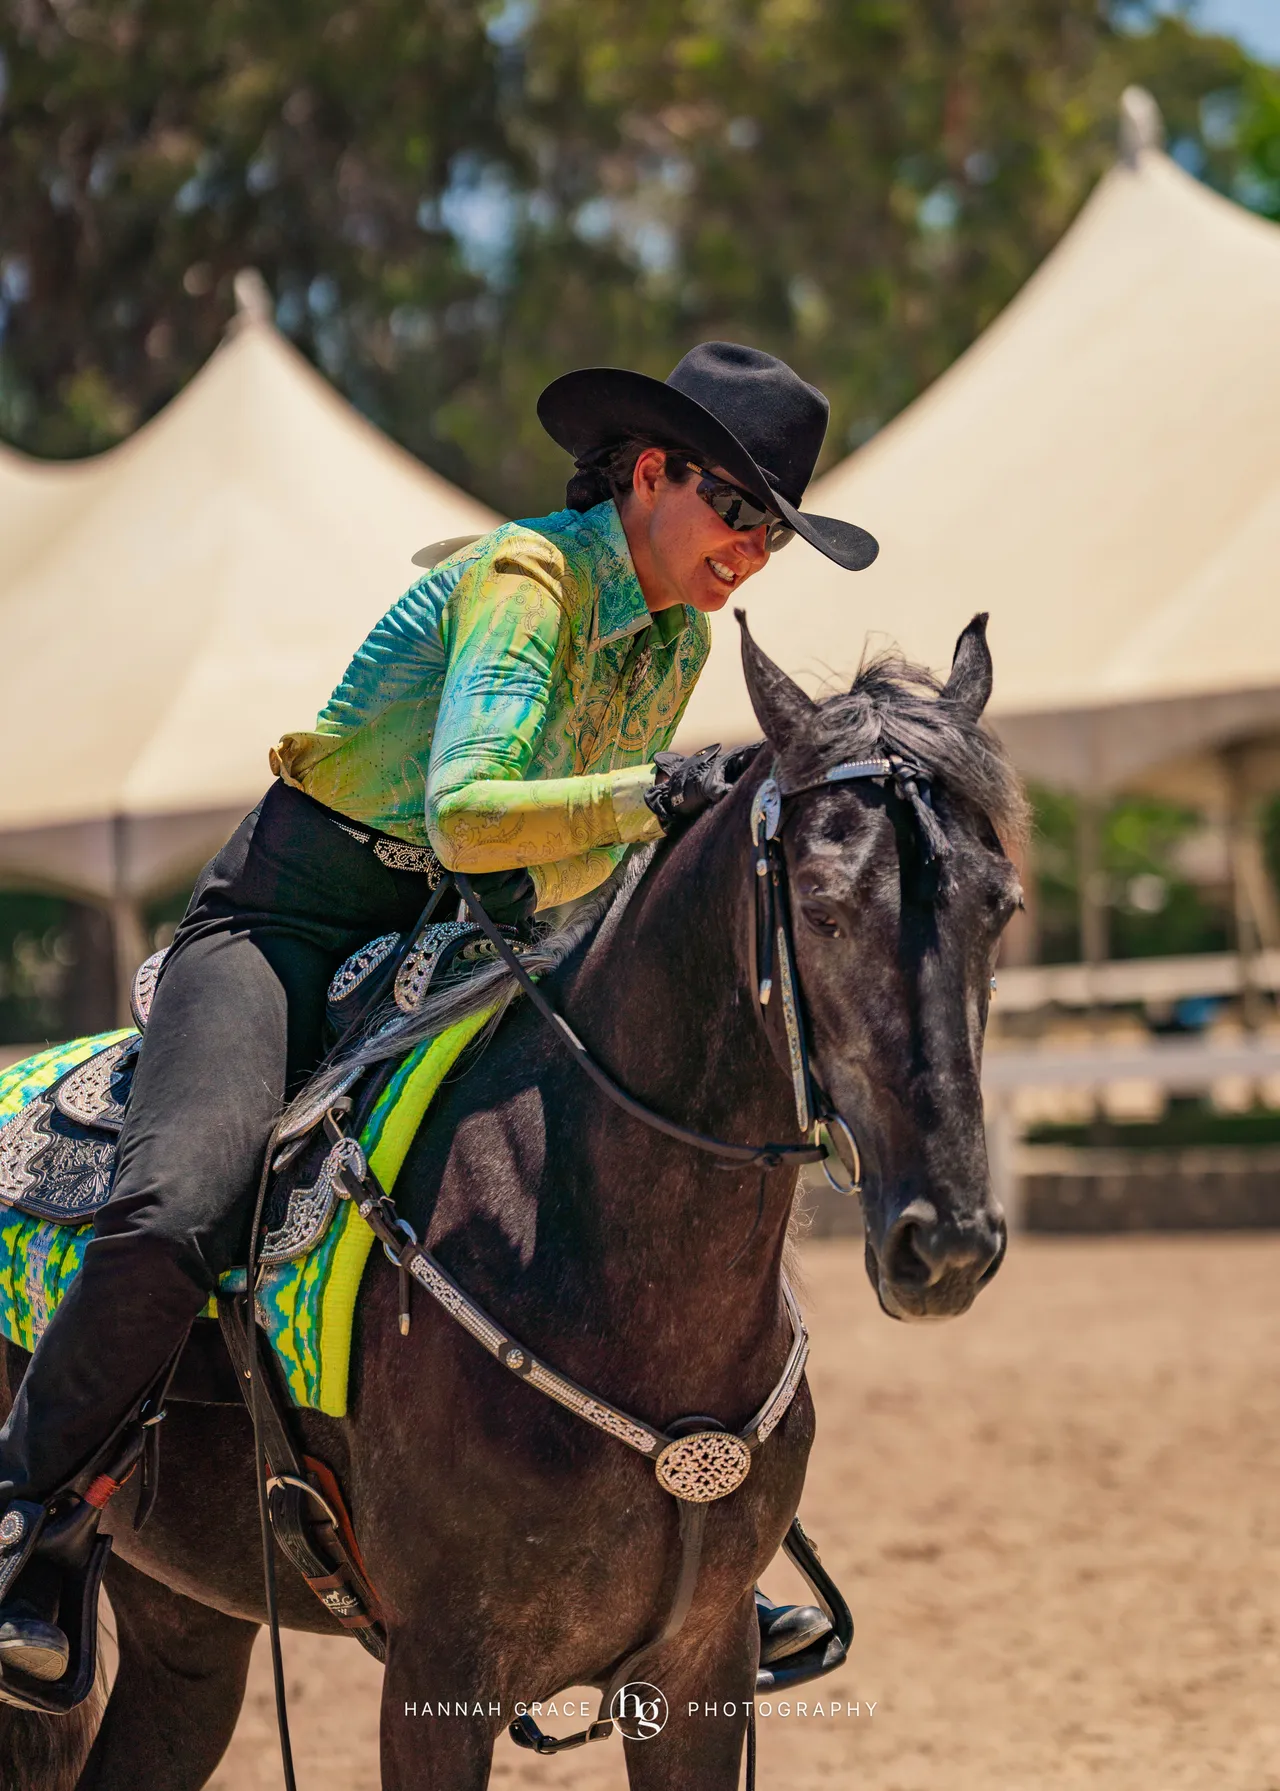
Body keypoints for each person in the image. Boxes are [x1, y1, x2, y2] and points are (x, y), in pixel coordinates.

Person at [0, 341, 877, 1685]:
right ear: (652, 472)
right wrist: (655, 796)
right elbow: (473, 813)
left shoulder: (678, 634)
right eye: (743, 511)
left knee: (612, 1173)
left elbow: (558, 857)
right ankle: (34, 1519)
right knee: (184, 1198)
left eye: (778, 531)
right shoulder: (528, 578)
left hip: (471, 940)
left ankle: (690, 1547)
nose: (756, 549)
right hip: (288, 922)